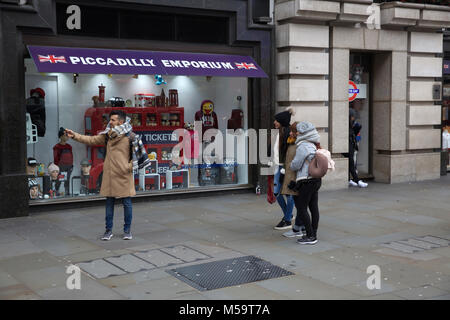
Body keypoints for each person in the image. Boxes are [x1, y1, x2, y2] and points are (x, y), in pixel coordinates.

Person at [65, 110, 137, 241]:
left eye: (113, 120)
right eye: (110, 120)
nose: (110, 122)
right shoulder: (107, 135)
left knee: (127, 203)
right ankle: (108, 231)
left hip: (124, 175)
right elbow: (91, 139)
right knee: (109, 203)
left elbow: (137, 157)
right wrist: (74, 135)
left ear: (121, 121)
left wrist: (128, 167)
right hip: (109, 174)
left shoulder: (130, 136)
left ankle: (127, 230)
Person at [289, 121, 322, 245]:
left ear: (302, 133)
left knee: (301, 207)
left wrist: (290, 165)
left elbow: (295, 165)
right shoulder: (314, 144)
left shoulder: (303, 145)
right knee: (313, 207)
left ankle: (310, 236)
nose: (296, 133)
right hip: (316, 179)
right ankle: (314, 233)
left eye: (297, 131)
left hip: (306, 180)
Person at [280, 122, 306, 237]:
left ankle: (298, 229)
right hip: (291, 176)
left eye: (292, 131)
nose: (290, 133)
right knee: (299, 204)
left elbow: (297, 163)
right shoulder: (292, 142)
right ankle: (302, 227)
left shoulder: (300, 145)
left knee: (300, 204)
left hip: (297, 179)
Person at [272, 109, 295, 230]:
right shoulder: (279, 133)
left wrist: (286, 169)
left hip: (287, 168)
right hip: (278, 166)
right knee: (276, 192)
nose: (274, 122)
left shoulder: (289, 134)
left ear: (282, 121)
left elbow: (290, 154)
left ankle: (287, 220)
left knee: (289, 193)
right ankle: (289, 214)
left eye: (276, 120)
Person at [346, 108, 368, 188]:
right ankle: (357, 180)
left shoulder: (351, 124)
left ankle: (349, 179)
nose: (353, 118)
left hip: (351, 145)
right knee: (351, 163)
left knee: (350, 163)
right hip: (348, 146)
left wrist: (357, 129)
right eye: (352, 116)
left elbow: (354, 134)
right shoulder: (346, 125)